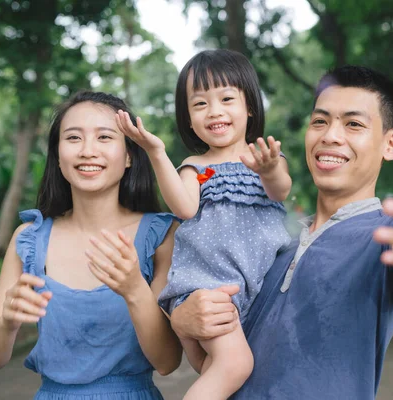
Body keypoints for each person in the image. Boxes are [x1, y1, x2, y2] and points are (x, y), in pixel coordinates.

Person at [170, 65, 393, 399]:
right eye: (320, 121)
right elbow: (219, 359)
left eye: (354, 124)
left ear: (390, 144)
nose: (330, 136)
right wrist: (182, 319)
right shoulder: (271, 244)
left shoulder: (389, 234)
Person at [0, 91, 182, 400]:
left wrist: (135, 289)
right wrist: (7, 322)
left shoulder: (162, 234)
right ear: (58, 156)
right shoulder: (29, 238)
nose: (87, 151)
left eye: (104, 137)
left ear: (128, 155)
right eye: (73, 138)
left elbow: (168, 362)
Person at [115, 49, 292, 399]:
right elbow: (183, 206)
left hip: (250, 292)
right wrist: (156, 153)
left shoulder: (263, 160)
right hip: (206, 288)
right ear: (189, 119)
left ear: (249, 107)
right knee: (236, 365)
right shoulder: (200, 167)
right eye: (200, 104)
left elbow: (279, 190)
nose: (215, 111)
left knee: (217, 374)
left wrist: (270, 170)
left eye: (227, 98)